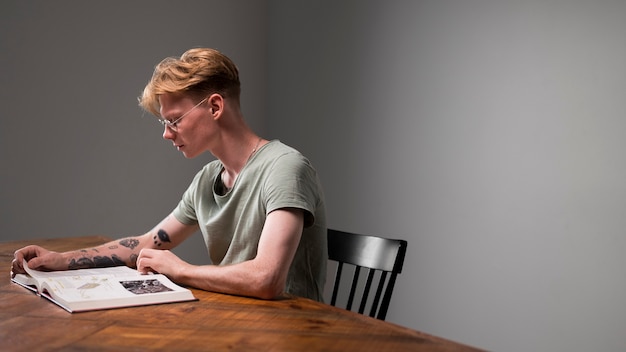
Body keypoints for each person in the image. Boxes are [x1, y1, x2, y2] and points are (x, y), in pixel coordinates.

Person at [11, 48, 328, 302]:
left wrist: (180, 270)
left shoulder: (285, 168)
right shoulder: (207, 180)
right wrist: (59, 260)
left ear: (215, 107)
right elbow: (148, 242)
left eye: (174, 120)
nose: (166, 134)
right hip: (234, 319)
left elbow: (266, 279)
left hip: (292, 331)